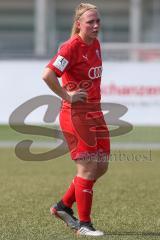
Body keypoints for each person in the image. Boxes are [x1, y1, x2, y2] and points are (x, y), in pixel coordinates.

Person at [42, 2, 110, 237]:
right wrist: (66, 95)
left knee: (101, 166)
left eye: (98, 21)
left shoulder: (96, 44)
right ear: (78, 24)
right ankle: (84, 224)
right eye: (90, 21)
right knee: (88, 166)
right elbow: (47, 74)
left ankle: (62, 207)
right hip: (76, 114)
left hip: (96, 112)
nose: (95, 25)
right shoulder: (70, 47)